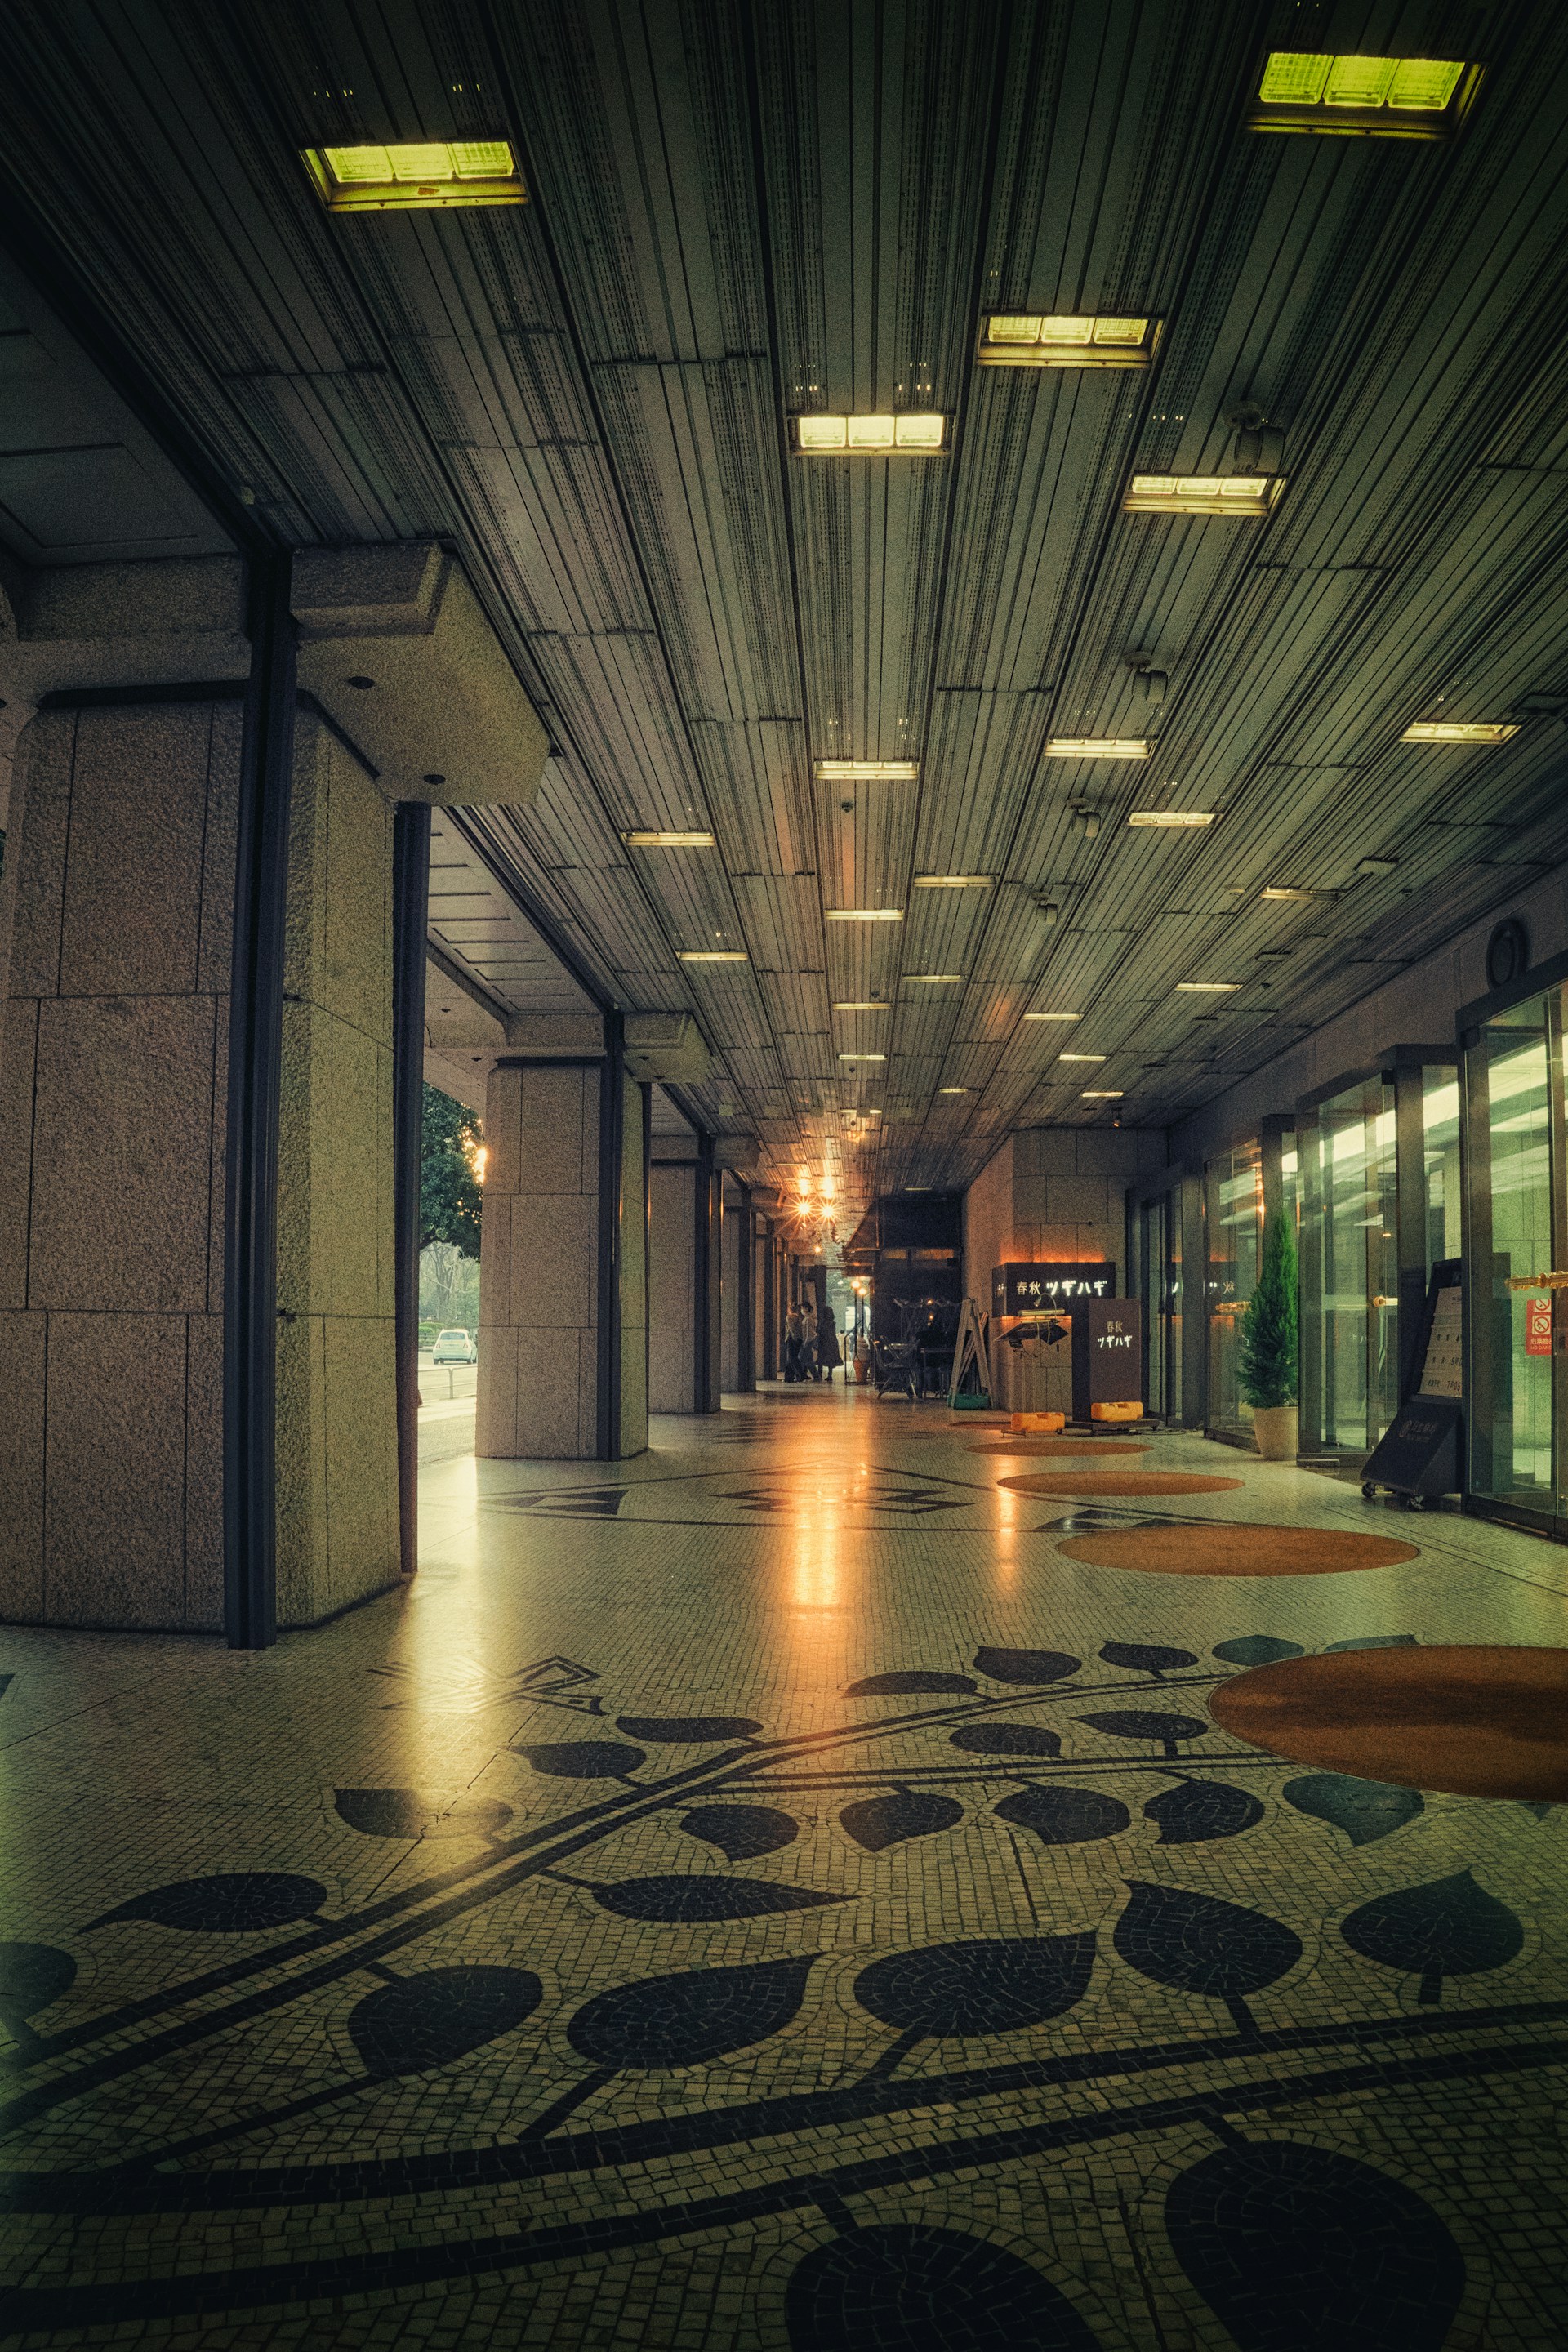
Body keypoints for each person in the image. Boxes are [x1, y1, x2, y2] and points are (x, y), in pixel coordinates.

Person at [817, 1302, 843, 1383]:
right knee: (830, 1359)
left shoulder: (822, 1323)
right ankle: (829, 1375)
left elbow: (819, 1332)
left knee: (821, 1358)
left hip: (823, 1341)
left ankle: (819, 1374)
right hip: (832, 1341)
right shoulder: (833, 1323)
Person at [783, 1303, 804, 1382]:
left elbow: (792, 1329)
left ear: (790, 1309)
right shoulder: (799, 1318)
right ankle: (788, 1377)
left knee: (792, 1358)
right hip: (799, 1338)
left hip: (792, 1338)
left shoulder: (789, 1317)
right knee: (791, 1358)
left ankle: (801, 1374)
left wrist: (794, 1337)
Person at [801, 1301, 819, 1381]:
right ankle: (815, 1376)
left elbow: (809, 1333)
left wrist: (805, 1343)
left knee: (805, 1359)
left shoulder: (808, 1319)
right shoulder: (809, 1318)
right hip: (809, 1340)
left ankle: (803, 1376)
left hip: (808, 1341)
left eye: (802, 1308)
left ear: (806, 1309)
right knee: (808, 1359)